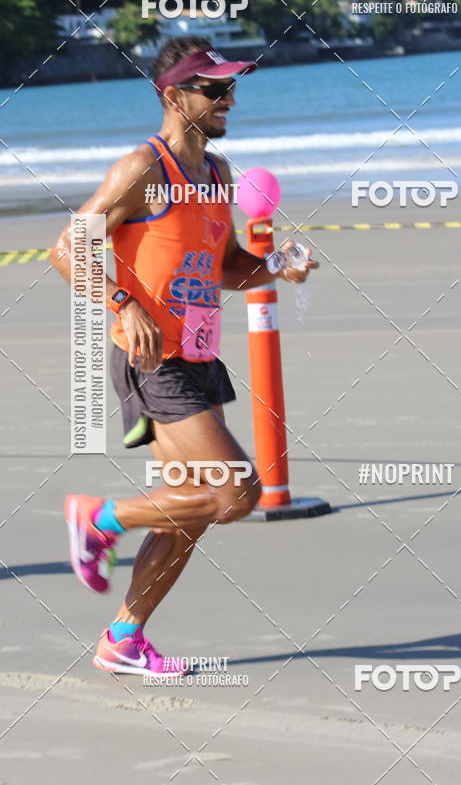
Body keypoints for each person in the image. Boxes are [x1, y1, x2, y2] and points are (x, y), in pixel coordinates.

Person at [50, 36, 319, 675]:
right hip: (152, 359)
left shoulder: (218, 174)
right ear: (174, 95)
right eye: (214, 88)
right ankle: (98, 517)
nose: (229, 99)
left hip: (198, 355)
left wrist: (279, 264)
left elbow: (228, 268)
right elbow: (67, 248)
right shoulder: (143, 169)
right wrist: (123, 303)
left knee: (192, 507)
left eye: (231, 88)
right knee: (237, 494)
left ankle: (124, 637)